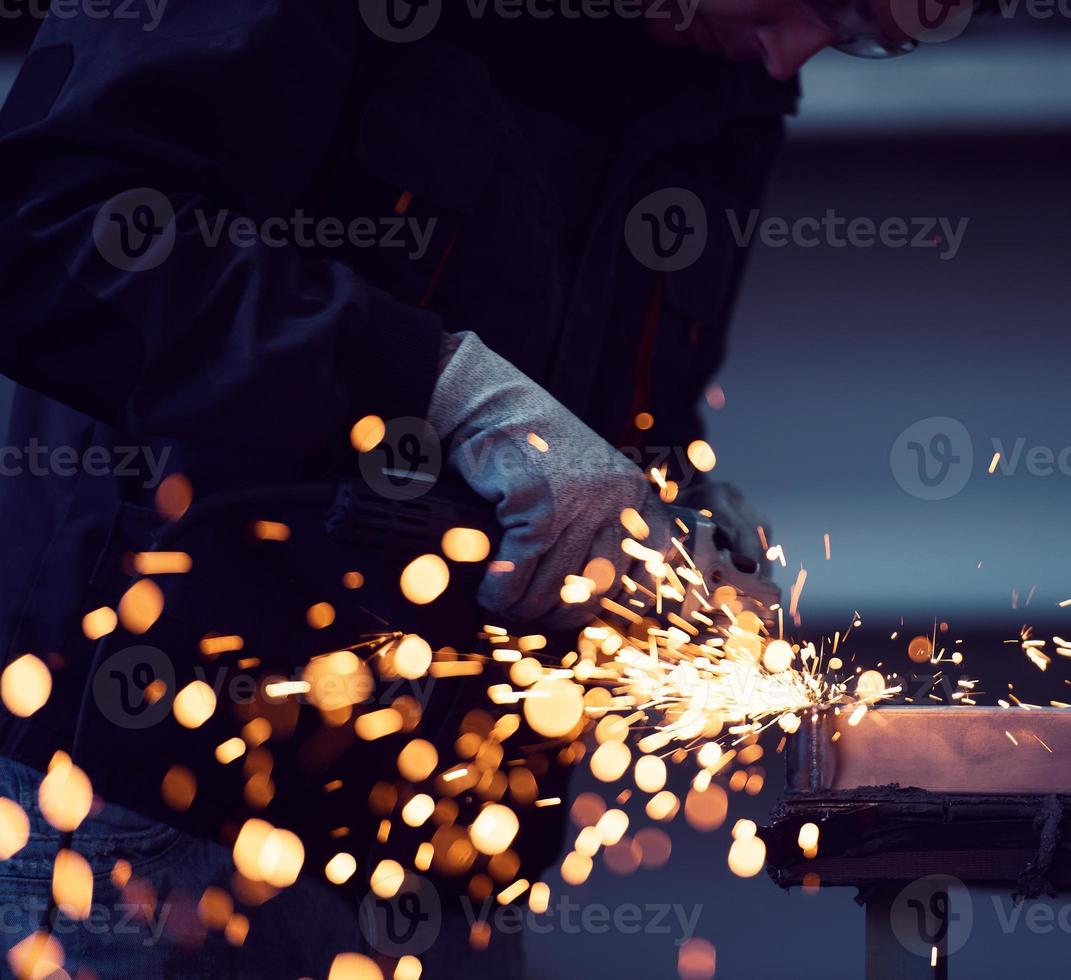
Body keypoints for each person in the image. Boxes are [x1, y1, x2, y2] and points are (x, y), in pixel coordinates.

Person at [0, 0, 916, 975]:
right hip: (158, 807)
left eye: (867, 36)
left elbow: (620, 408)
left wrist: (675, 520)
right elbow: (48, 229)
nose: (794, 55)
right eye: (823, 3)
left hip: (453, 836)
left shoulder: (725, 61)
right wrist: (433, 385)